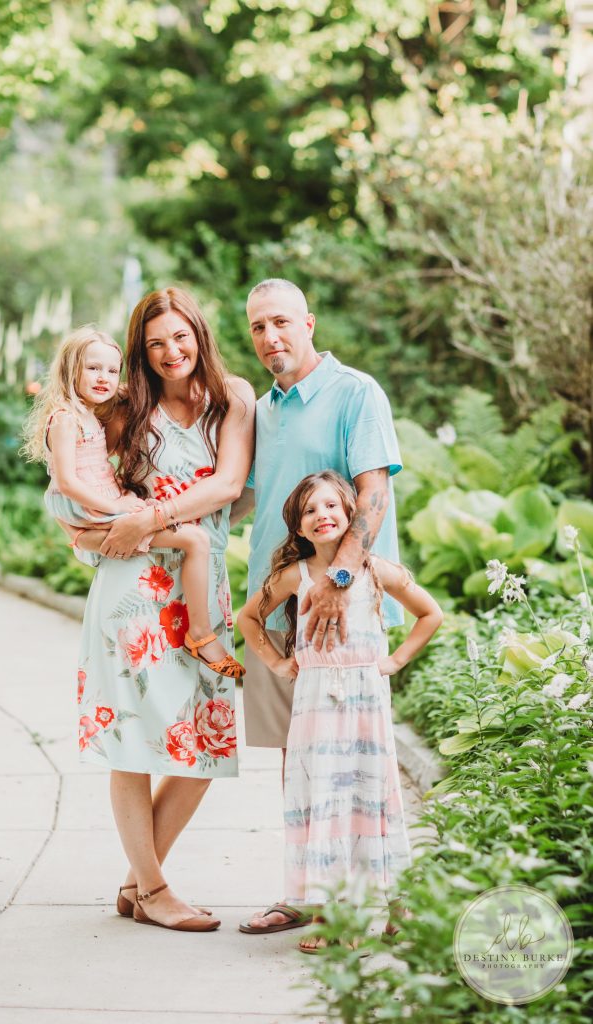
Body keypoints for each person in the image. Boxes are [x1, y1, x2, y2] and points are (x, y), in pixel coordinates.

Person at [57, 289, 255, 932]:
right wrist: (93, 534)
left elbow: (228, 485)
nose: (171, 352)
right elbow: (74, 489)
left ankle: (138, 884)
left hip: (203, 586)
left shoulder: (233, 400)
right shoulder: (123, 408)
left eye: (180, 336)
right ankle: (155, 889)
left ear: (200, 332)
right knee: (135, 742)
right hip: (134, 590)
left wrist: (152, 515)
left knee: (209, 741)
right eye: (154, 344)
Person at [234, 277, 404, 933]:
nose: (269, 337)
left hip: (345, 615)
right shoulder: (263, 409)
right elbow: (246, 495)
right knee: (297, 763)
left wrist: (337, 579)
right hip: (279, 610)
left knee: (360, 763)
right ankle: (305, 893)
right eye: (256, 327)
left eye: (279, 322)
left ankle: (379, 902)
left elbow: (371, 494)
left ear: (308, 324)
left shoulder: (354, 392)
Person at [237, 471, 442, 952]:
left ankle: (397, 909)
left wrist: (394, 660)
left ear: (350, 515)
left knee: (374, 795)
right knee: (324, 799)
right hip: (315, 704)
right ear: (299, 528)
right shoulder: (295, 575)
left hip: (367, 701)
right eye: (310, 511)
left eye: (331, 506)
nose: (322, 516)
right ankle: (334, 913)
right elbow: (249, 618)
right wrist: (276, 661)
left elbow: (430, 612)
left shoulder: (375, 570)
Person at [23, 324, 244, 678]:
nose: (104, 377)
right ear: (69, 370)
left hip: (101, 501)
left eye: (112, 370)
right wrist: (118, 508)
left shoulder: (92, 416)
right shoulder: (66, 419)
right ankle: (200, 633)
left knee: (190, 537)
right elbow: (65, 482)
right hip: (94, 504)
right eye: (93, 368)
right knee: (193, 539)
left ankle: (89, 541)